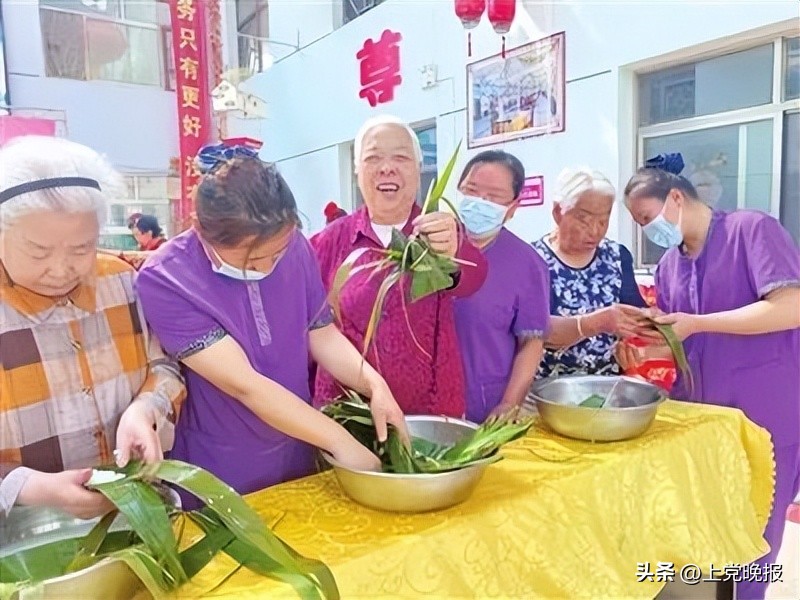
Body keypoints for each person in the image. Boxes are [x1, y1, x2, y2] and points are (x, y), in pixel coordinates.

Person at [136, 145, 408, 504]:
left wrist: (374, 384)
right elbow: (246, 385)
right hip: (222, 465)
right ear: (200, 229)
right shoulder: (166, 279)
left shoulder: (294, 246)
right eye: (252, 261)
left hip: (298, 445)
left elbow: (321, 334)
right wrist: (339, 441)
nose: (267, 268)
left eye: (276, 254)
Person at [617, 152, 800, 600]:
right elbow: (687, 341)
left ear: (676, 198)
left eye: (647, 217)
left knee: (756, 534)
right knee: (710, 528)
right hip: (703, 421)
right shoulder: (669, 266)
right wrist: (645, 346)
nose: (647, 230)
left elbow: (790, 306)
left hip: (766, 415)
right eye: (639, 224)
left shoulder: (750, 230)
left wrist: (699, 323)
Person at [0, 136, 185, 518]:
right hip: (24, 536)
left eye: (81, 249)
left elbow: (165, 365)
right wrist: (27, 486)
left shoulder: (121, 282)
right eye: (38, 251)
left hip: (136, 512)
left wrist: (145, 409)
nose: (61, 269)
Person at [310, 115, 487, 417]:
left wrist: (453, 252)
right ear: (357, 170)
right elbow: (304, 321)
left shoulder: (440, 232)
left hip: (428, 411)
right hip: (348, 412)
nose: (386, 168)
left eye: (401, 158)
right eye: (373, 158)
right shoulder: (328, 242)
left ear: (418, 169)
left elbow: (475, 276)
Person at [452, 150, 550, 423]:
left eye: (494, 196)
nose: (480, 202)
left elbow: (531, 341)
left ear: (513, 207)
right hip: (421, 403)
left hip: (485, 404)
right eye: (472, 191)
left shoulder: (527, 264)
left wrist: (509, 403)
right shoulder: (428, 246)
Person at [532, 167, 648, 378]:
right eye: (584, 220)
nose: (595, 231)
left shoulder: (617, 256)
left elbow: (635, 315)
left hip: (606, 384)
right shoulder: (532, 260)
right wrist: (595, 323)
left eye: (603, 221)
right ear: (558, 212)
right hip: (547, 387)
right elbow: (534, 330)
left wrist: (632, 340)